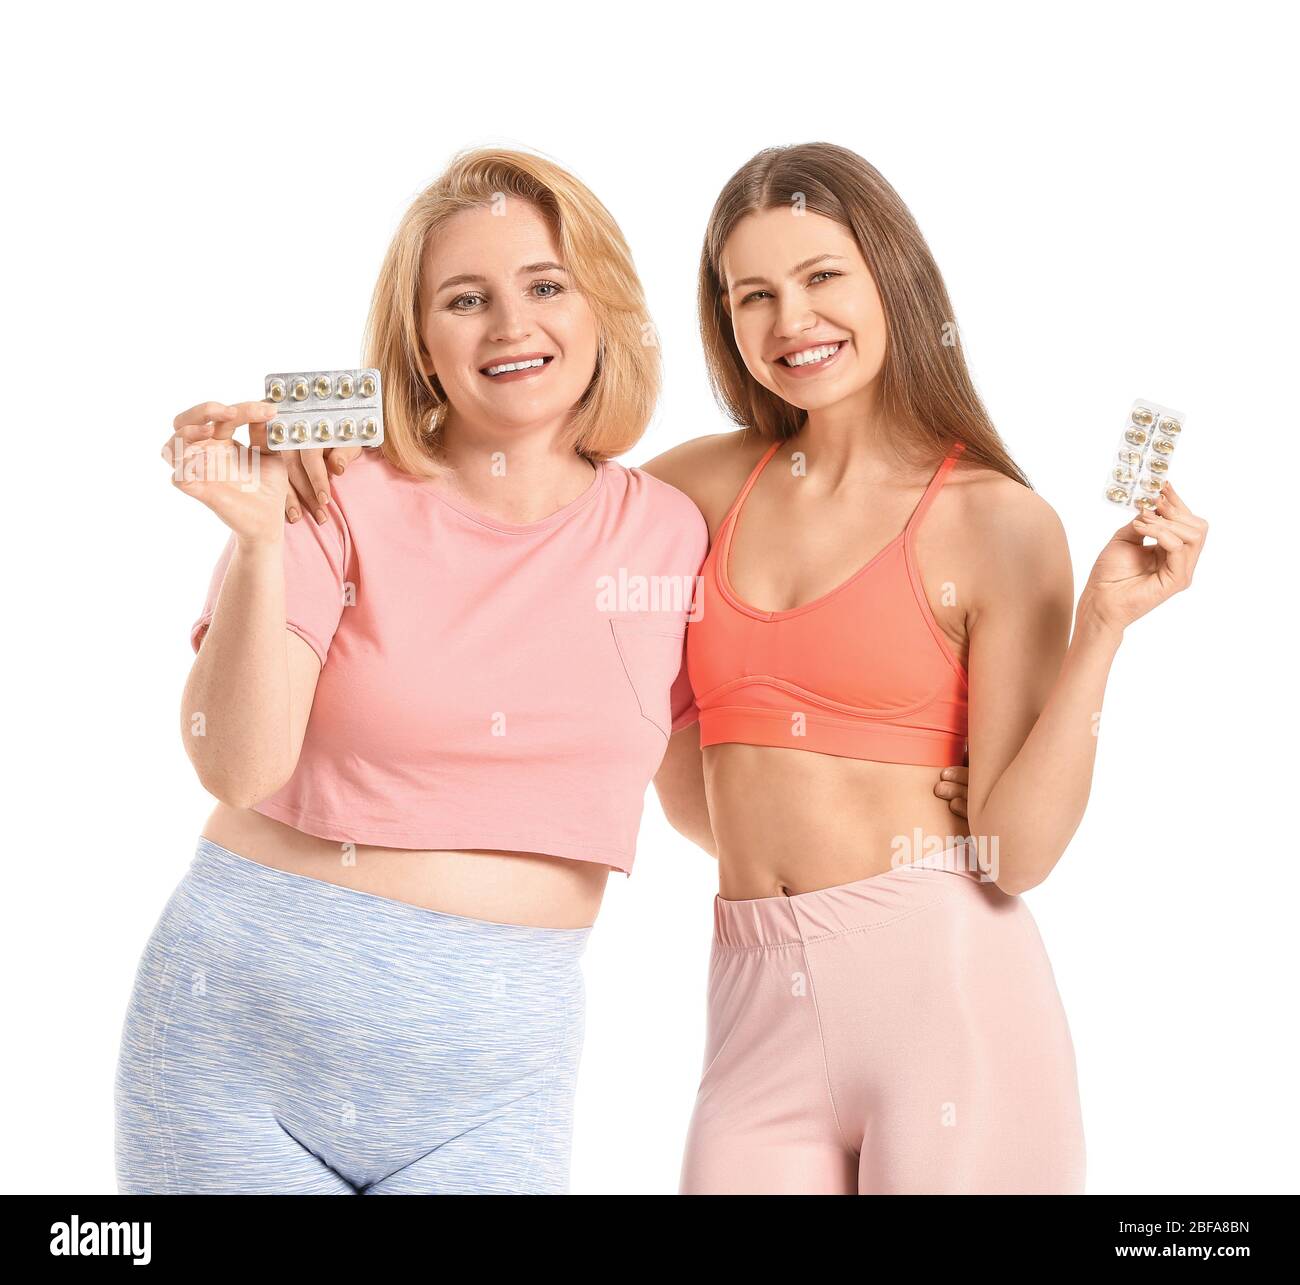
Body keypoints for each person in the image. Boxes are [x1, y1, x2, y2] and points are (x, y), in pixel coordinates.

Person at [116, 148, 716, 1194]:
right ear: (422, 344)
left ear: (604, 309)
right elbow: (237, 766)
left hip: (496, 1101)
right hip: (233, 1058)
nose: (511, 325)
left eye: (544, 285)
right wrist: (261, 541)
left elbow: (710, 804)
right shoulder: (334, 484)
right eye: (464, 299)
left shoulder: (668, 533)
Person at [640, 142, 1208, 1194]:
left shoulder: (993, 520)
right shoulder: (699, 488)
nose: (789, 320)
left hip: (944, 998)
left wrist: (1101, 630)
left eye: (820, 277)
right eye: (750, 295)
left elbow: (1018, 854)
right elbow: (530, 525)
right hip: (752, 999)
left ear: (890, 278)